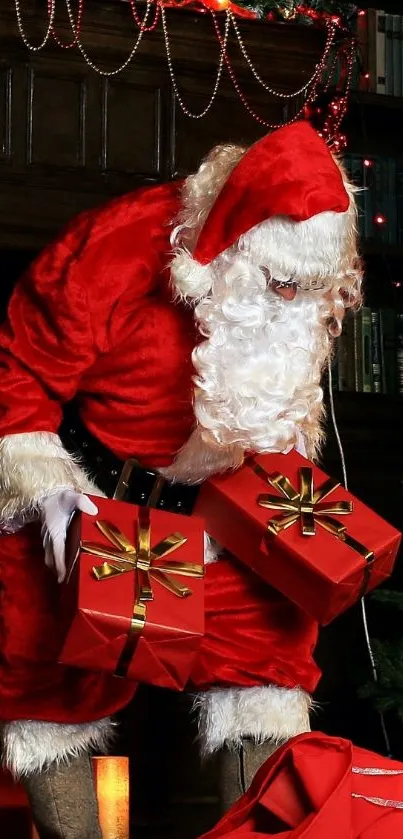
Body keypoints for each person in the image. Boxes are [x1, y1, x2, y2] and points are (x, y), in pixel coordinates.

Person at [0, 121, 362, 838]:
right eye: (280, 283)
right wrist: (47, 488)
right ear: (230, 239)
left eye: (308, 287)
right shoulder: (120, 243)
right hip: (99, 493)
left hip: (233, 501)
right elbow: (21, 370)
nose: (295, 299)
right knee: (46, 682)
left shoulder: (308, 273)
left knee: (268, 674)